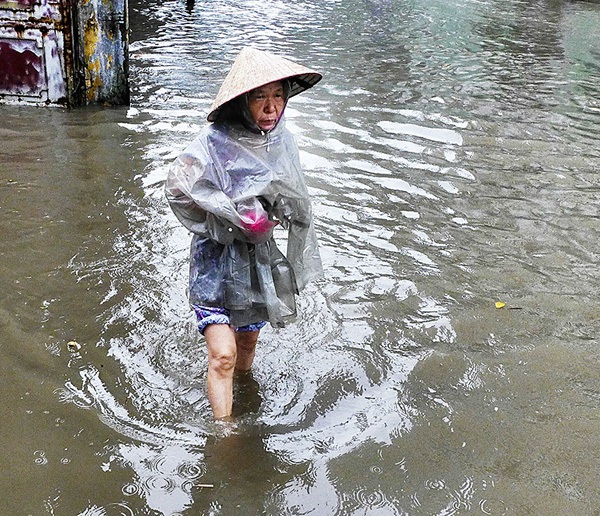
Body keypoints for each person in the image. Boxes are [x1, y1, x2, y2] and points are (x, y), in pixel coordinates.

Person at [165, 47, 323, 420]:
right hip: (215, 262)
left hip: (257, 261)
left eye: (278, 96)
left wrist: (275, 214)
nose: (271, 107)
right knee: (223, 355)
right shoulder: (213, 140)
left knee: (247, 345)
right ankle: (225, 437)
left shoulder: (282, 140)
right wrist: (227, 215)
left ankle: (242, 391)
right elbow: (177, 188)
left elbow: (294, 194)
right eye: (260, 97)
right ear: (241, 101)